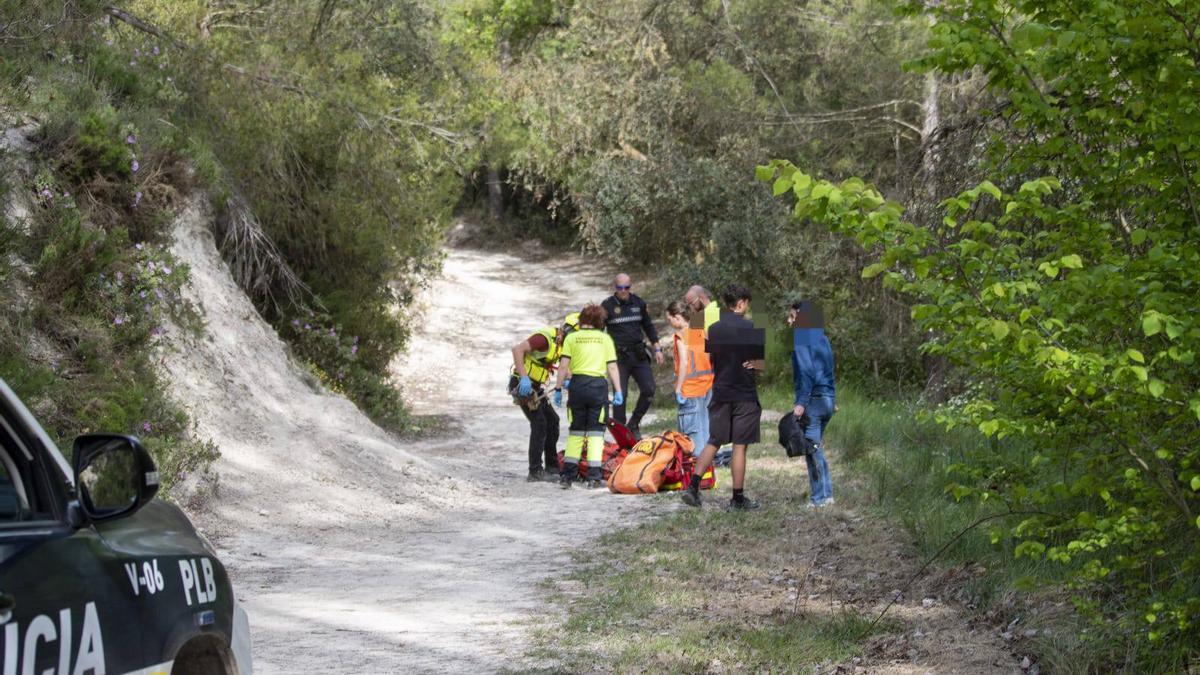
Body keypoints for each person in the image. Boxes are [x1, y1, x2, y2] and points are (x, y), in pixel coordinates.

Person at [680, 284, 764, 510]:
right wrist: (754, 364)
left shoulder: (714, 329)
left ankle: (692, 488)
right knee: (739, 446)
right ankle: (737, 498)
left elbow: (711, 357)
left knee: (714, 440)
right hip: (744, 393)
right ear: (742, 303)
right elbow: (759, 364)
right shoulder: (753, 327)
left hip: (720, 391)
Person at [553, 304, 624, 489]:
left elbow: (563, 366)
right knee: (595, 433)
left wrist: (558, 388)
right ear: (599, 321)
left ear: (581, 319)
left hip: (577, 386)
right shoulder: (605, 339)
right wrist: (618, 390)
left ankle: (568, 476)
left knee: (576, 431)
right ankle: (594, 477)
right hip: (597, 387)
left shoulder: (572, 338)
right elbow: (612, 367)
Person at [510, 313, 579, 482]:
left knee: (553, 421)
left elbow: (565, 366)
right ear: (566, 330)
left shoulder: (563, 344)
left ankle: (552, 467)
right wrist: (524, 378)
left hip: (536, 387)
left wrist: (569, 379)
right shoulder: (544, 338)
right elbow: (517, 350)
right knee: (539, 424)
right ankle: (535, 471)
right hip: (522, 384)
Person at [601, 273, 662, 435]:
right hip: (618, 358)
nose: (623, 291)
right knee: (621, 395)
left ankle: (634, 423)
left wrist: (657, 348)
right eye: (620, 287)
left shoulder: (638, 303)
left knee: (649, 389)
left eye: (626, 287)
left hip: (638, 355)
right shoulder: (607, 305)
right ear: (615, 287)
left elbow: (648, 326)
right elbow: (599, 331)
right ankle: (621, 434)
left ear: (630, 287)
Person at [790, 300, 837, 507]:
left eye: (792, 316)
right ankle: (827, 495)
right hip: (826, 400)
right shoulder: (823, 338)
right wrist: (833, 399)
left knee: (812, 450)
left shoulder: (801, 337)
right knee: (816, 448)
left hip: (814, 401)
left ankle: (820, 498)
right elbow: (830, 370)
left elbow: (807, 372)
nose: (789, 321)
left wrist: (801, 402)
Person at [666, 301, 713, 455]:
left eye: (670, 319)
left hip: (690, 389)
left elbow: (684, 363)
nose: (670, 323)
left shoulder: (681, 336)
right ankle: (707, 463)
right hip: (707, 387)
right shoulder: (700, 332)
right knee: (705, 426)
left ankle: (696, 465)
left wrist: (678, 389)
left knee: (692, 433)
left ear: (677, 317)